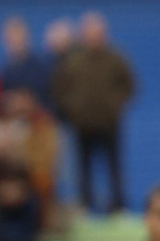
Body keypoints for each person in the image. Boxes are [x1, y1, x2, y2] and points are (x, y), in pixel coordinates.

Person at [51, 12, 135, 215]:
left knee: (114, 167)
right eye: (90, 33)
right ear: (83, 35)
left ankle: (118, 206)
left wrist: (116, 105)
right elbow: (60, 89)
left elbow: (130, 85)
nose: (94, 37)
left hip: (109, 123)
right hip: (83, 124)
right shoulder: (73, 61)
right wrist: (74, 109)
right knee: (83, 168)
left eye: (98, 32)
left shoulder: (116, 58)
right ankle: (86, 204)